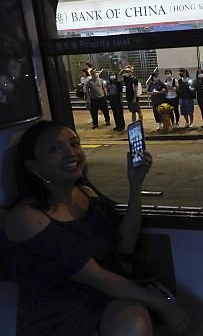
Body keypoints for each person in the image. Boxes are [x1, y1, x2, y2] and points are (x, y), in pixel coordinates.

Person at [0, 121, 190, 336]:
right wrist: (163, 305)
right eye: (55, 149)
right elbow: (96, 276)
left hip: (104, 299)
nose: (71, 153)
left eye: (75, 144)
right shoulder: (27, 218)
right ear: (33, 166)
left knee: (135, 320)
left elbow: (124, 246)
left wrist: (135, 185)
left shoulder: (86, 194)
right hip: (59, 314)